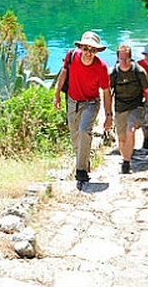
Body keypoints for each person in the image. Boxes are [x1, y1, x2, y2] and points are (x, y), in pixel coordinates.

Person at [53, 31, 113, 190]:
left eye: (93, 50)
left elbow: (106, 92)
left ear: (96, 51)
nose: (89, 53)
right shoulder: (71, 56)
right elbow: (64, 74)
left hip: (91, 103)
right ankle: (84, 162)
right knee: (75, 139)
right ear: (81, 47)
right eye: (86, 49)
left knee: (84, 130)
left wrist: (109, 115)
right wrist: (57, 94)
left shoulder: (101, 67)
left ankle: (81, 172)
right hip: (72, 101)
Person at [108, 44, 148, 174]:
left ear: (131, 58)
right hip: (120, 107)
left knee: (131, 130)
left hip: (136, 106)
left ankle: (126, 163)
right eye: (122, 59)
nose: (124, 61)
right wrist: (108, 114)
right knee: (121, 139)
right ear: (118, 59)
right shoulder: (113, 73)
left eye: (127, 58)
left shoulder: (139, 72)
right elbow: (107, 93)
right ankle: (126, 158)